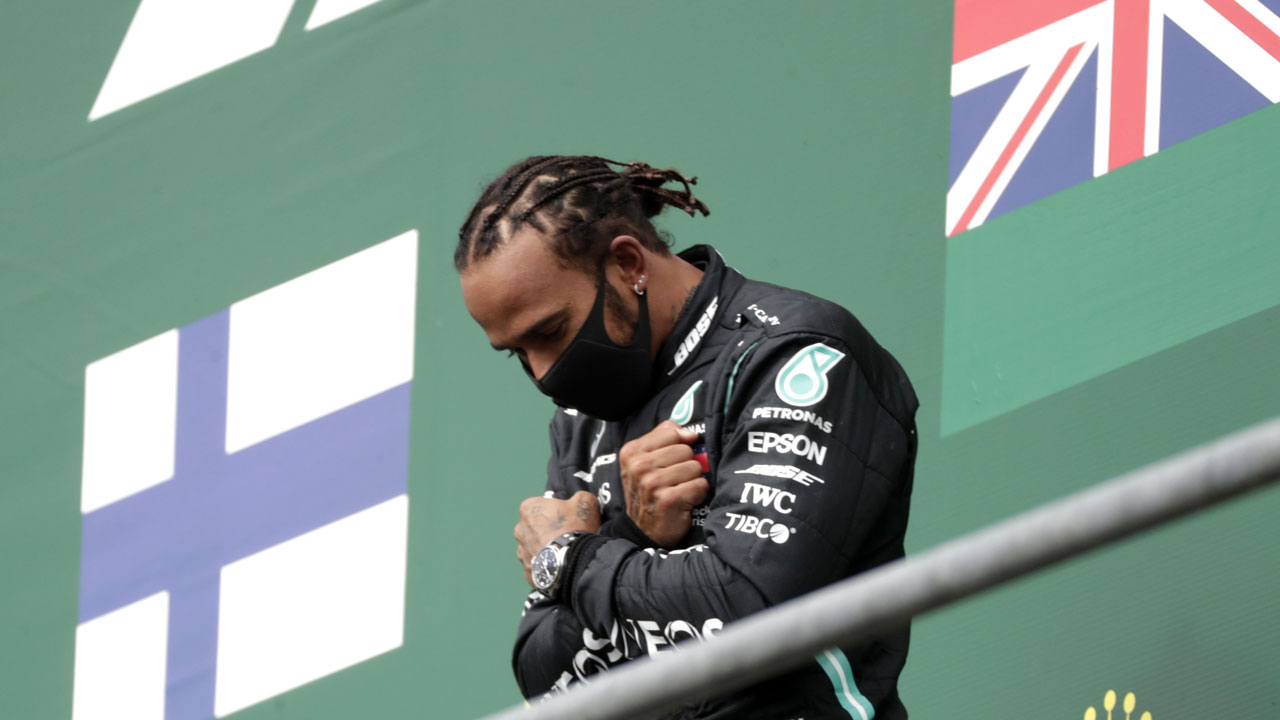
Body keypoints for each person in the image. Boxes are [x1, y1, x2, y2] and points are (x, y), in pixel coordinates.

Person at [456, 155, 918, 719]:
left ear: (628, 264)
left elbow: (748, 609)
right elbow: (548, 681)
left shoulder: (792, 355)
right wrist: (631, 534)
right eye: (518, 354)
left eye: (551, 331)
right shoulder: (582, 417)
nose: (544, 373)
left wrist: (569, 561)